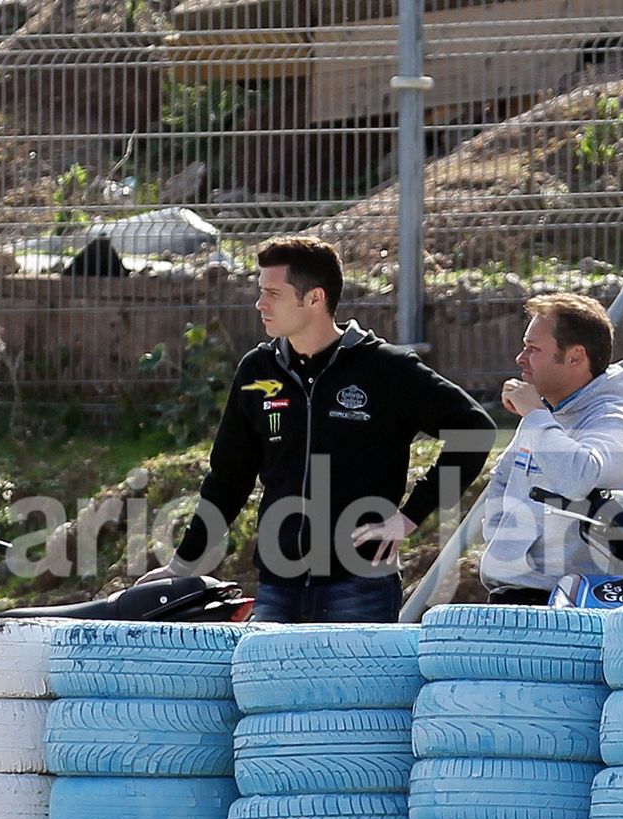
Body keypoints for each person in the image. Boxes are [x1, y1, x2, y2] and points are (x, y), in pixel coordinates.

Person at [138, 235, 496, 623]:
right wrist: (182, 565)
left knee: (357, 686)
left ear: (314, 298)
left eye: (273, 293)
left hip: (360, 587)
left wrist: (410, 516)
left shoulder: (386, 369)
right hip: (278, 588)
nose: (261, 303)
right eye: (261, 291)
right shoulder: (257, 371)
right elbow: (229, 477)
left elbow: (474, 429)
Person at [479, 292, 623, 604]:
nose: (521, 359)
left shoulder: (618, 418)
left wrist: (534, 416)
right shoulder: (546, 414)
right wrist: (505, 548)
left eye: (534, 349)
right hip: (524, 591)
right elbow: (503, 481)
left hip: (584, 604)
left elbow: (579, 478)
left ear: (575, 357)